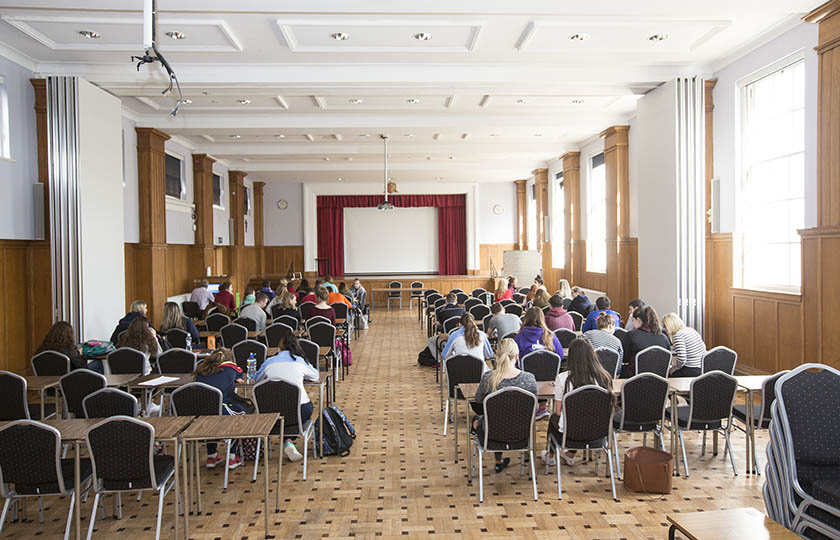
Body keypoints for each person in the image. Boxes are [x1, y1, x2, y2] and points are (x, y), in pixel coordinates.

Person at [540, 338, 614, 467]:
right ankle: (570, 454)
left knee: (555, 419)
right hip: (599, 429)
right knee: (582, 418)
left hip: (572, 429)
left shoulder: (563, 378)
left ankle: (550, 456)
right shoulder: (604, 377)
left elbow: (558, 411)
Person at [472, 338, 537, 472]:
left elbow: (478, 401)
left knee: (482, 418)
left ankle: (498, 460)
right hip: (522, 434)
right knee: (505, 416)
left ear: (497, 356)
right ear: (517, 356)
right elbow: (534, 409)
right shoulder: (529, 378)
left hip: (492, 433)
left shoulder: (488, 378)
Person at [256, 332, 319, 461]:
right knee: (304, 410)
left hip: (270, 413)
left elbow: (256, 380)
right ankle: (288, 440)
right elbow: (316, 376)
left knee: (283, 413)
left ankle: (288, 441)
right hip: (298, 411)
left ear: (278, 349)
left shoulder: (269, 362)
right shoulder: (300, 361)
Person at [194, 349, 251, 469]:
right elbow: (240, 373)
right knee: (242, 417)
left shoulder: (201, 370)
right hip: (222, 409)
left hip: (200, 414)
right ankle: (232, 456)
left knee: (211, 417)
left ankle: (211, 456)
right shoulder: (230, 368)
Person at [620, 306, 670, 378]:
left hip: (635, 379)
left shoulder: (631, 335)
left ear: (638, 320)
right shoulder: (664, 337)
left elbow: (625, 359)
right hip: (660, 381)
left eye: (633, 321)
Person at [662, 313, 706, 377]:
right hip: (701, 368)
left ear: (670, 326)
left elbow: (682, 359)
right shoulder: (691, 330)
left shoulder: (678, 335)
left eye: (665, 326)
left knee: (667, 374)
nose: (663, 329)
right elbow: (703, 348)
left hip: (690, 369)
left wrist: (675, 368)